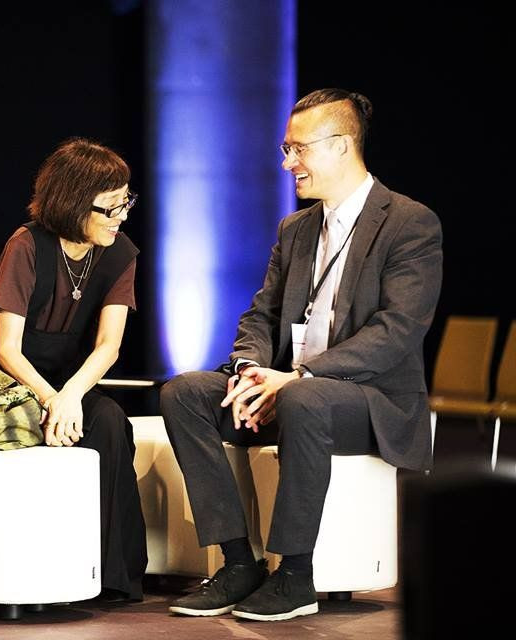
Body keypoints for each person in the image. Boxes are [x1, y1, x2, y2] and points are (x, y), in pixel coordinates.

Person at [160, 89, 443, 621]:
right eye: (285, 149)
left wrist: (299, 376)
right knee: (185, 393)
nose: (288, 162)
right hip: (289, 391)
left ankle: (294, 574)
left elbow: (397, 331)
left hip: (369, 402)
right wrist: (250, 371)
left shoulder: (409, 222)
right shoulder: (295, 228)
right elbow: (261, 315)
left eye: (298, 149)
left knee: (305, 399)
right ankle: (238, 563)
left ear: (340, 145)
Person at [0, 137, 148, 601]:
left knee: (109, 420)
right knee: (33, 421)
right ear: (74, 203)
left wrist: (69, 395)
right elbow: (7, 348)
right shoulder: (27, 244)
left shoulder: (120, 253)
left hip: (63, 380)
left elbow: (109, 346)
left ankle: (111, 575)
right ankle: (33, 571)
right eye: (111, 207)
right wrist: (52, 398)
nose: (121, 216)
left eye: (125, 203)